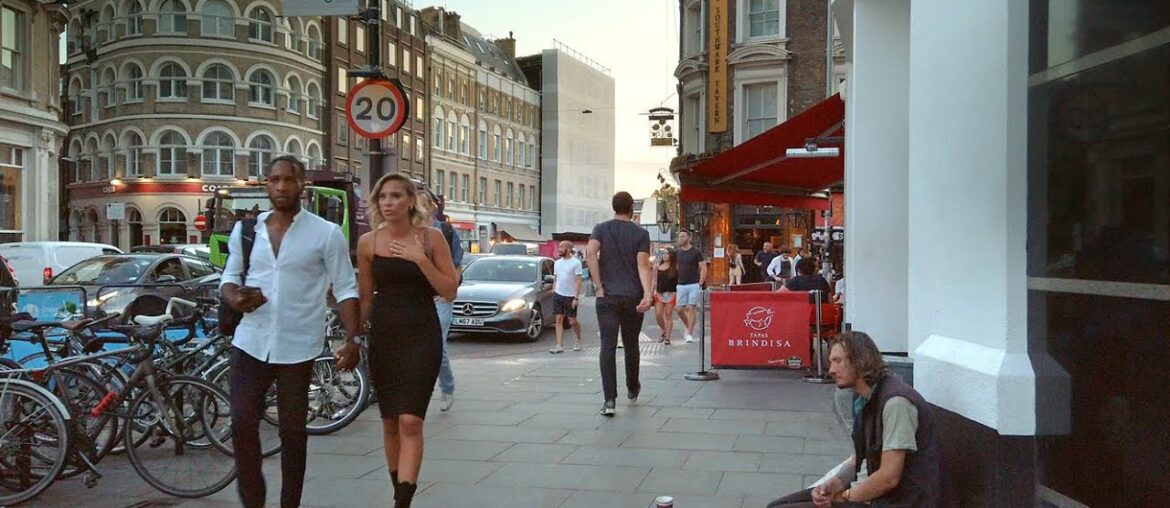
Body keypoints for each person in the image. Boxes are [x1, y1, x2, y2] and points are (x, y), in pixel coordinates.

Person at [220, 156, 363, 508]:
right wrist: (235, 298)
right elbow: (228, 277)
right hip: (251, 341)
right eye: (274, 180)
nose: (281, 187)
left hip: (298, 347)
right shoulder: (247, 230)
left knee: (294, 435)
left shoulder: (325, 233)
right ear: (266, 185)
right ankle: (254, 501)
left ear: (303, 185)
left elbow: (345, 288)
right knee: (241, 423)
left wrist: (352, 339)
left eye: (289, 180)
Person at [356, 173, 459, 508]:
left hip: (421, 335)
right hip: (385, 336)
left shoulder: (432, 238)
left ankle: (402, 502)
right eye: (383, 197)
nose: (388, 203)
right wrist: (353, 337)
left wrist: (419, 259)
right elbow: (366, 297)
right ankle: (397, 488)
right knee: (389, 422)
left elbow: (449, 290)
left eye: (396, 196)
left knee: (410, 421)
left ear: (411, 201)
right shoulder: (369, 242)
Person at [766, 331, 939, 508]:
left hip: (897, 502)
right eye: (831, 362)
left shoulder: (896, 403)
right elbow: (858, 458)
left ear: (860, 360)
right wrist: (832, 486)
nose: (831, 370)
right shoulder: (863, 397)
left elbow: (889, 478)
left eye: (838, 361)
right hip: (868, 494)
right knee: (775, 505)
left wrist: (846, 496)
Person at [586, 191, 653, 417]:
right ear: (632, 209)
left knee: (608, 346)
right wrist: (647, 294)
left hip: (607, 296)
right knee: (631, 343)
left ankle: (609, 400)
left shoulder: (601, 229)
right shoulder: (641, 233)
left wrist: (598, 286)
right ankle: (632, 387)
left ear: (613, 207)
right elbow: (643, 265)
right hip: (632, 296)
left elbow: (590, 253)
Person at [417, 190, 462, 412]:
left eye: (424, 203)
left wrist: (447, 290)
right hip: (418, 297)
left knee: (437, 345)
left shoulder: (443, 230)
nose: (420, 207)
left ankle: (447, 388)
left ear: (432, 206)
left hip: (441, 297)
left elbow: (456, 266)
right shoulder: (408, 232)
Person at [673, 230, 707, 344]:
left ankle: (689, 333)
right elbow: (674, 267)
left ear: (689, 238)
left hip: (694, 283)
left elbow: (703, 267)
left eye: (683, 236)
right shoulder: (677, 253)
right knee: (679, 309)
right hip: (681, 283)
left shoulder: (696, 251)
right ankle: (688, 326)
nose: (681, 238)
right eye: (680, 237)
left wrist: (700, 283)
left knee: (691, 308)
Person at [551, 240, 583, 353]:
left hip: (570, 296)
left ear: (569, 249)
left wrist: (576, 297)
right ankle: (559, 345)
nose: (559, 249)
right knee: (558, 319)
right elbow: (556, 278)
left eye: (562, 247)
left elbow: (578, 280)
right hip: (558, 294)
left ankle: (578, 339)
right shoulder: (557, 263)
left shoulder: (576, 263)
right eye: (559, 247)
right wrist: (554, 290)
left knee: (572, 321)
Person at [652, 247, 679, 345]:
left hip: (671, 293)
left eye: (667, 253)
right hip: (659, 293)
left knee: (668, 314)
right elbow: (654, 280)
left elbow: (679, 282)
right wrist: (651, 292)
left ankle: (667, 337)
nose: (665, 255)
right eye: (664, 253)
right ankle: (664, 330)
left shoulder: (675, 267)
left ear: (672, 255)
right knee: (658, 315)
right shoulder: (657, 266)